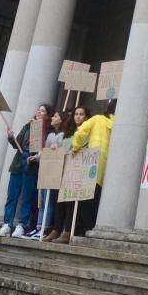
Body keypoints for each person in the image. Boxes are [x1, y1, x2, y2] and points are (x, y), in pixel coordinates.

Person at [0, 104, 50, 238]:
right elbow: (17, 143)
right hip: (18, 164)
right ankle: (7, 224)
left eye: (43, 111)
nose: (39, 112)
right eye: (38, 110)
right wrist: (11, 136)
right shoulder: (28, 126)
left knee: (27, 196)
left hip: (31, 165)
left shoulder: (47, 130)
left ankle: (22, 225)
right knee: (12, 195)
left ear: (47, 115)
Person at [70, 99, 115, 233]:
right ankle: (91, 226)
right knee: (98, 197)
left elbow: (80, 132)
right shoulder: (118, 123)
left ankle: (85, 227)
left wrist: (75, 147)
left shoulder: (97, 119)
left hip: (91, 161)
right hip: (108, 164)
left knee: (87, 197)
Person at [49, 105, 90, 244]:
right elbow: (63, 147)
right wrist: (56, 148)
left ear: (86, 117)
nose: (78, 116)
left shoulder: (86, 131)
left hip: (76, 169)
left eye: (81, 114)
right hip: (63, 168)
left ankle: (67, 231)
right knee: (59, 201)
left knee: (70, 202)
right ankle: (56, 229)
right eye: (76, 114)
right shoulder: (68, 132)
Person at [29, 109, 67, 239]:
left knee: (50, 199)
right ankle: (38, 227)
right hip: (46, 168)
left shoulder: (63, 135)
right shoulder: (51, 135)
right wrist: (36, 157)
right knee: (43, 199)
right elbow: (45, 151)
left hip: (55, 170)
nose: (52, 118)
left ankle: (45, 227)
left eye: (55, 116)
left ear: (61, 119)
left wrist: (58, 148)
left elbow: (64, 150)